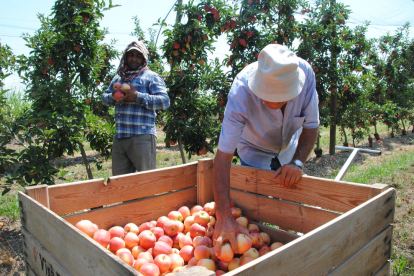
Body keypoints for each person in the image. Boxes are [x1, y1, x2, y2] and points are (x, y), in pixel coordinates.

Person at [212, 44, 319, 256]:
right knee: (257, 211)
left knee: (289, 211)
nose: (272, 101)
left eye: (280, 97)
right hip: (254, 149)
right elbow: (223, 157)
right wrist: (224, 215)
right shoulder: (241, 93)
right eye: (266, 95)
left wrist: (297, 162)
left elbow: (311, 126)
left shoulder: (305, 75)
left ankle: (287, 249)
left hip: (290, 148)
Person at [102, 41, 170, 176]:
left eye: (138, 56)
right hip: (120, 137)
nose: (134, 59)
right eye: (131, 55)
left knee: (146, 181)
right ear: (125, 57)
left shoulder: (151, 77)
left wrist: (137, 96)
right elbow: (104, 97)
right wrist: (113, 97)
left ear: (143, 58)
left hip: (141, 136)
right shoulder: (119, 78)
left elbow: (164, 101)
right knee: (120, 184)